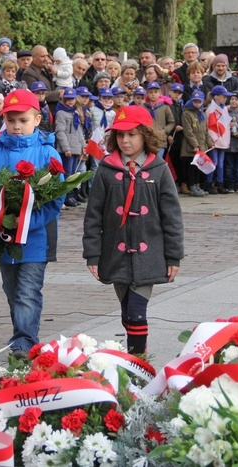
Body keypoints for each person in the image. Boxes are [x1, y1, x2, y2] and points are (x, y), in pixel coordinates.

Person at [0, 89, 65, 359]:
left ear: (37, 119)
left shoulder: (47, 153)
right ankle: (24, 337)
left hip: (36, 237)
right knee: (12, 291)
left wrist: (27, 222)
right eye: (11, 121)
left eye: (23, 120)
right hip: (2, 237)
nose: (16, 126)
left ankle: (24, 342)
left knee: (28, 291)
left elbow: (56, 197)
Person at [82, 105, 183, 355]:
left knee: (138, 313)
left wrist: (174, 256)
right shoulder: (106, 170)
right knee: (128, 313)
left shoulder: (158, 170)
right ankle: (135, 355)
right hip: (116, 255)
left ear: (145, 136)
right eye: (120, 135)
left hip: (149, 255)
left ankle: (139, 363)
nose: (125, 140)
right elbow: (93, 216)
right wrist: (92, 255)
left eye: (132, 135)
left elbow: (172, 217)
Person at [54, 88, 85, 207]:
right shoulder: (61, 113)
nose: (70, 101)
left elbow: (79, 132)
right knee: (67, 173)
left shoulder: (75, 112)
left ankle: (71, 194)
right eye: (68, 99)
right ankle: (65, 196)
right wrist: (66, 148)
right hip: (68, 149)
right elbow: (60, 132)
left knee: (73, 173)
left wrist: (84, 146)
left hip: (76, 147)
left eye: (72, 99)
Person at [181, 90, 211, 197]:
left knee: (198, 168)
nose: (197, 104)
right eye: (195, 101)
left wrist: (210, 143)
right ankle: (192, 186)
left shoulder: (202, 114)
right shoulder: (186, 114)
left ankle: (197, 186)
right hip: (191, 147)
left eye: (199, 102)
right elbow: (188, 132)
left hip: (201, 147)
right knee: (191, 168)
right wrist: (195, 145)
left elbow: (206, 131)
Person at [204, 85, 233, 193]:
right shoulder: (210, 110)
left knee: (221, 163)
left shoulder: (224, 108)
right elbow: (210, 126)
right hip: (215, 140)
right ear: (216, 97)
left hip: (223, 139)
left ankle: (220, 183)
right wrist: (214, 140)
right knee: (214, 162)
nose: (226, 98)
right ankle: (209, 182)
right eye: (223, 96)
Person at [144, 81, 175, 158]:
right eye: (150, 92)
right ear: (147, 94)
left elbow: (171, 122)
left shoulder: (165, 107)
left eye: (155, 92)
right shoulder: (143, 108)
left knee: (158, 161)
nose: (153, 94)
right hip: (147, 139)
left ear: (159, 93)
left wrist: (164, 131)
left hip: (160, 140)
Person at [225, 91, 238, 193]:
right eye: (232, 99)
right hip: (229, 144)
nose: (233, 101)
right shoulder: (225, 111)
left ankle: (237, 184)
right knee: (229, 166)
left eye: (236, 99)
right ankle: (229, 184)